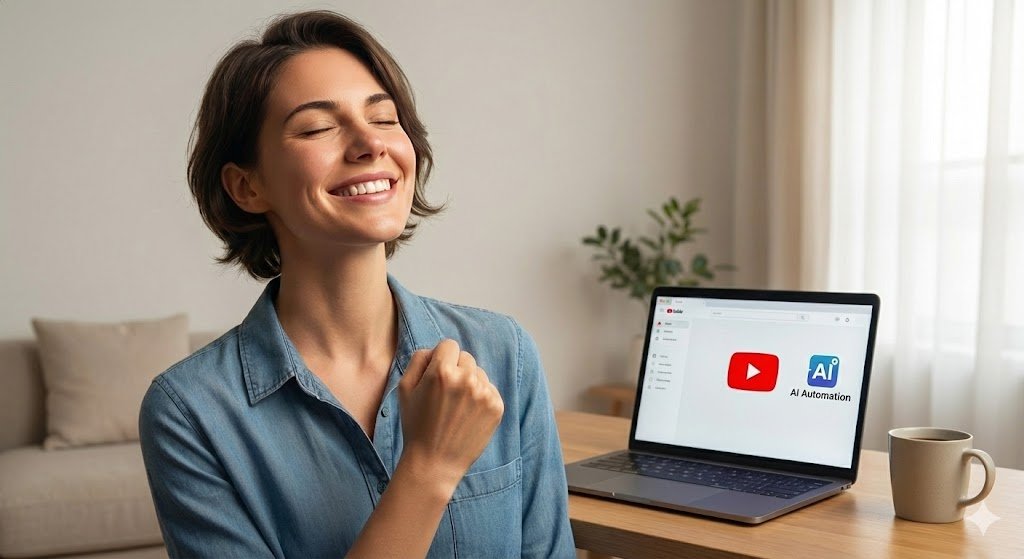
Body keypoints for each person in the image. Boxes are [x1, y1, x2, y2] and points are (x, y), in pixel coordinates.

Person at [138, 10, 575, 559]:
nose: (371, 144)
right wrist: (429, 469)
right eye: (319, 127)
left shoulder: (501, 352)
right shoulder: (190, 412)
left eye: (386, 119)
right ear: (246, 187)